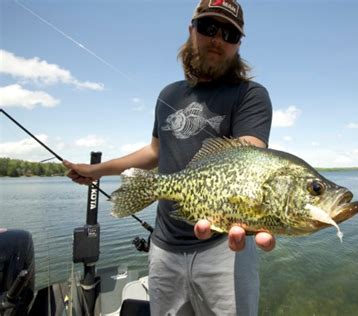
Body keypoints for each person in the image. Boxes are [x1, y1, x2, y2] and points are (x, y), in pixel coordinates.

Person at [63, 0, 274, 315]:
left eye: (230, 34)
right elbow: (154, 152)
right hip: (164, 249)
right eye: (209, 27)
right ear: (191, 30)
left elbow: (248, 154)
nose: (218, 39)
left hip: (224, 247)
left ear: (238, 45)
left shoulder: (250, 95)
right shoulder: (168, 95)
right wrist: (98, 170)